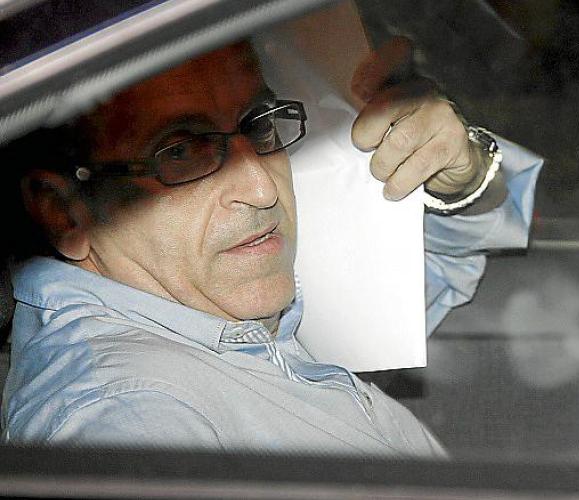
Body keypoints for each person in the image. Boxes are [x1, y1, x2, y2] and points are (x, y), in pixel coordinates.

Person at [0, 38, 542, 456]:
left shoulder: (206, 305)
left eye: (257, 124)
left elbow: (423, 271)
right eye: (181, 152)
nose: (262, 189)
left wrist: (458, 173)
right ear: (63, 211)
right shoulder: (128, 420)